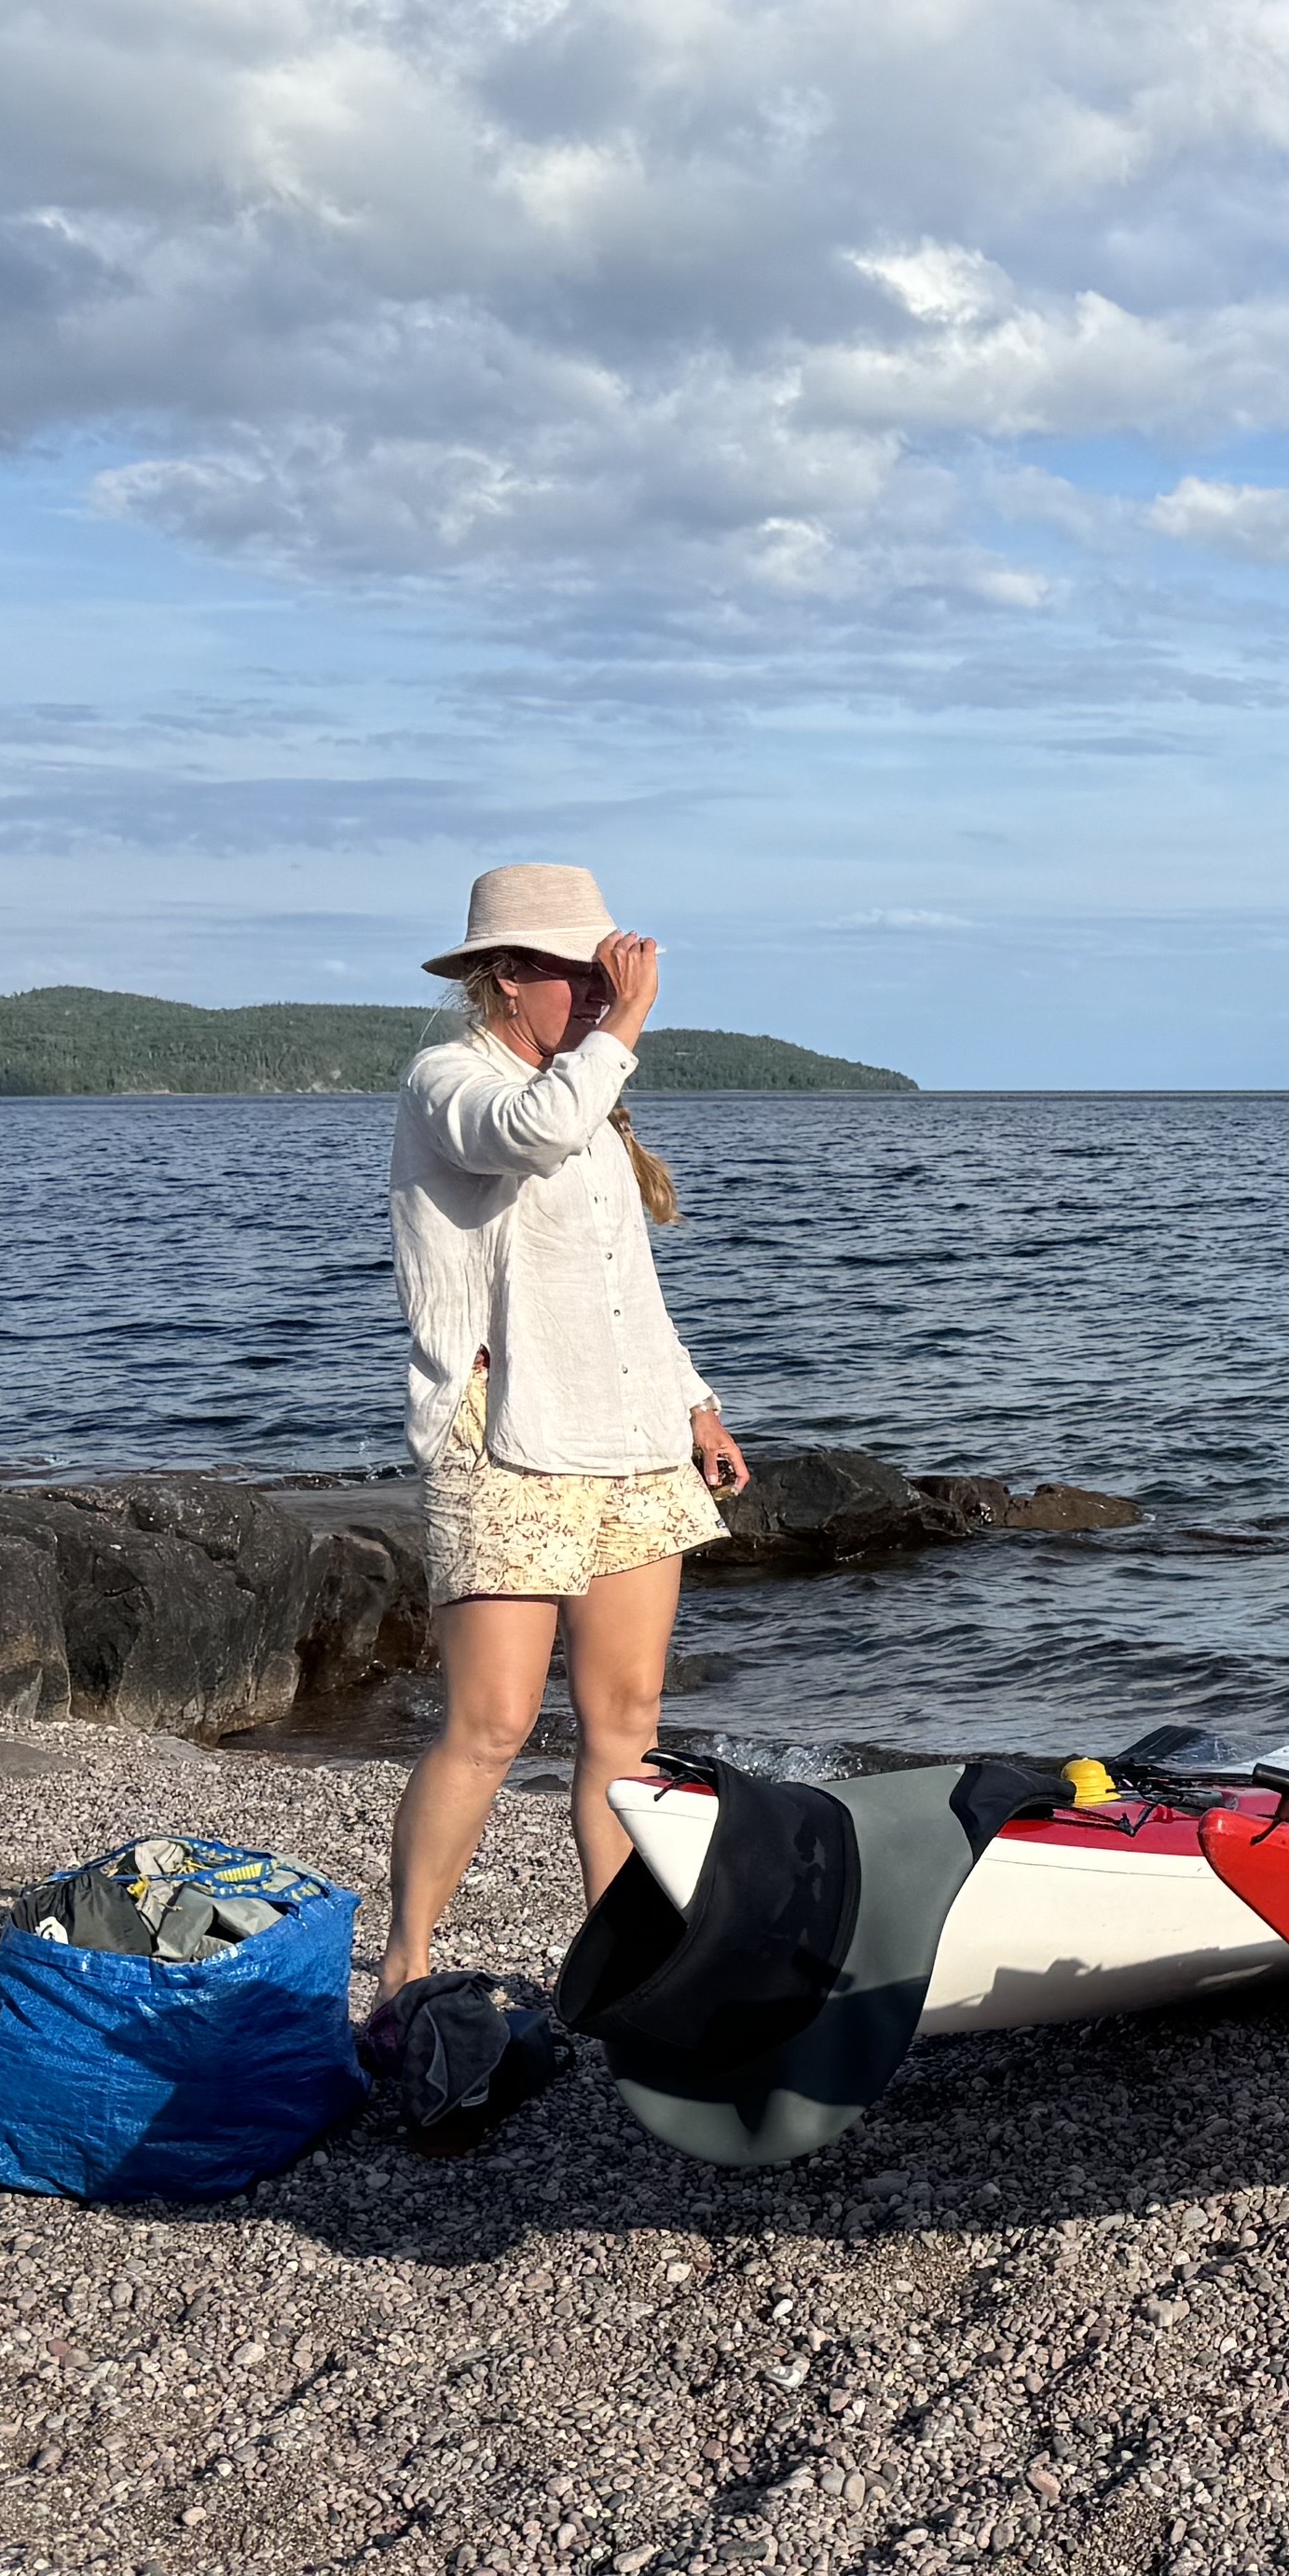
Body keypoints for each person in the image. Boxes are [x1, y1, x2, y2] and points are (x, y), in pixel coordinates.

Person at [373, 860, 752, 2022]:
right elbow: (527, 1135)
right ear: (505, 978)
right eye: (577, 976)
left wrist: (695, 1401)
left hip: (634, 1439)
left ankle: (613, 1964)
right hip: (508, 1441)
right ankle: (405, 1960)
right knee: (488, 1726)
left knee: (628, 1726)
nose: (597, 993)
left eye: (607, 976)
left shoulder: (590, 1098)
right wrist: (625, 1027)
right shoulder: (450, 1080)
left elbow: (623, 1285)